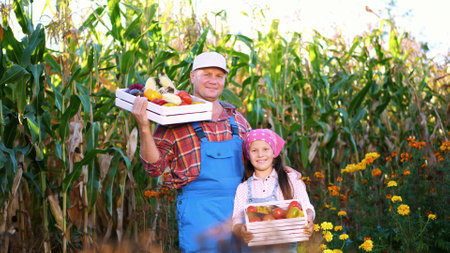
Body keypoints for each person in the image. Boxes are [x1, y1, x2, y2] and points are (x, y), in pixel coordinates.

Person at [132, 51, 251, 252]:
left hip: (240, 215)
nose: (213, 80)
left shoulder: (237, 119)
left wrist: (285, 172)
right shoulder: (173, 117)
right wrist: (144, 127)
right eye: (206, 74)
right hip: (199, 216)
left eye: (219, 75)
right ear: (192, 76)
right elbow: (154, 168)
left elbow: (259, 162)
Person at [231, 129, 315, 253]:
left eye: (265, 149)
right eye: (254, 150)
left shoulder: (291, 180)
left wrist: (308, 219)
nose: (260, 154)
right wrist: (241, 231)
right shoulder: (243, 188)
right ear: (248, 155)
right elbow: (236, 221)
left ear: (274, 152)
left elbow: (307, 208)